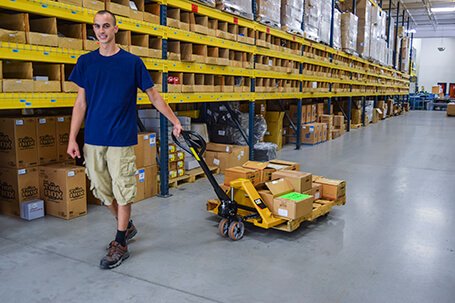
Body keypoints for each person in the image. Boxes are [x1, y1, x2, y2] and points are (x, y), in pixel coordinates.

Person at [67, 10, 182, 269]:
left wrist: (175, 121)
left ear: (116, 28)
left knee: (123, 188)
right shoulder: (86, 62)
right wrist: (72, 138)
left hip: (121, 137)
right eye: (97, 27)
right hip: (94, 138)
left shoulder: (132, 63)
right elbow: (80, 104)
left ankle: (120, 242)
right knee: (101, 190)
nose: (101, 31)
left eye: (106, 26)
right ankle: (127, 226)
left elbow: (154, 96)